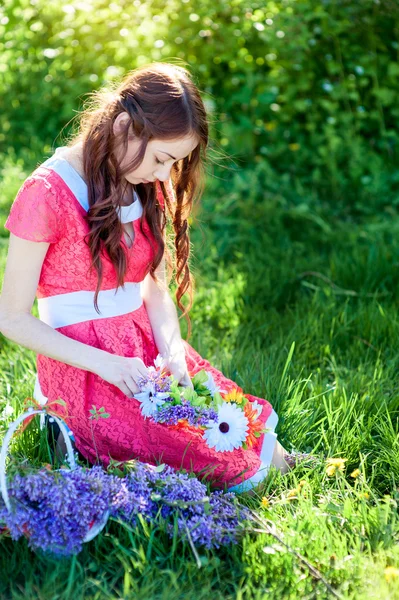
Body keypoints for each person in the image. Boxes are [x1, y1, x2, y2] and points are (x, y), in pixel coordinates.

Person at [0, 62, 303, 494]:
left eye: (174, 163)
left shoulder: (141, 183)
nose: (164, 175)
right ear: (125, 125)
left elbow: (154, 289)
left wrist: (174, 353)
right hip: (87, 366)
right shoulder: (48, 193)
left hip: (144, 350)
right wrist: (107, 363)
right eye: (162, 159)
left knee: (240, 429)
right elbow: (11, 319)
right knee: (204, 454)